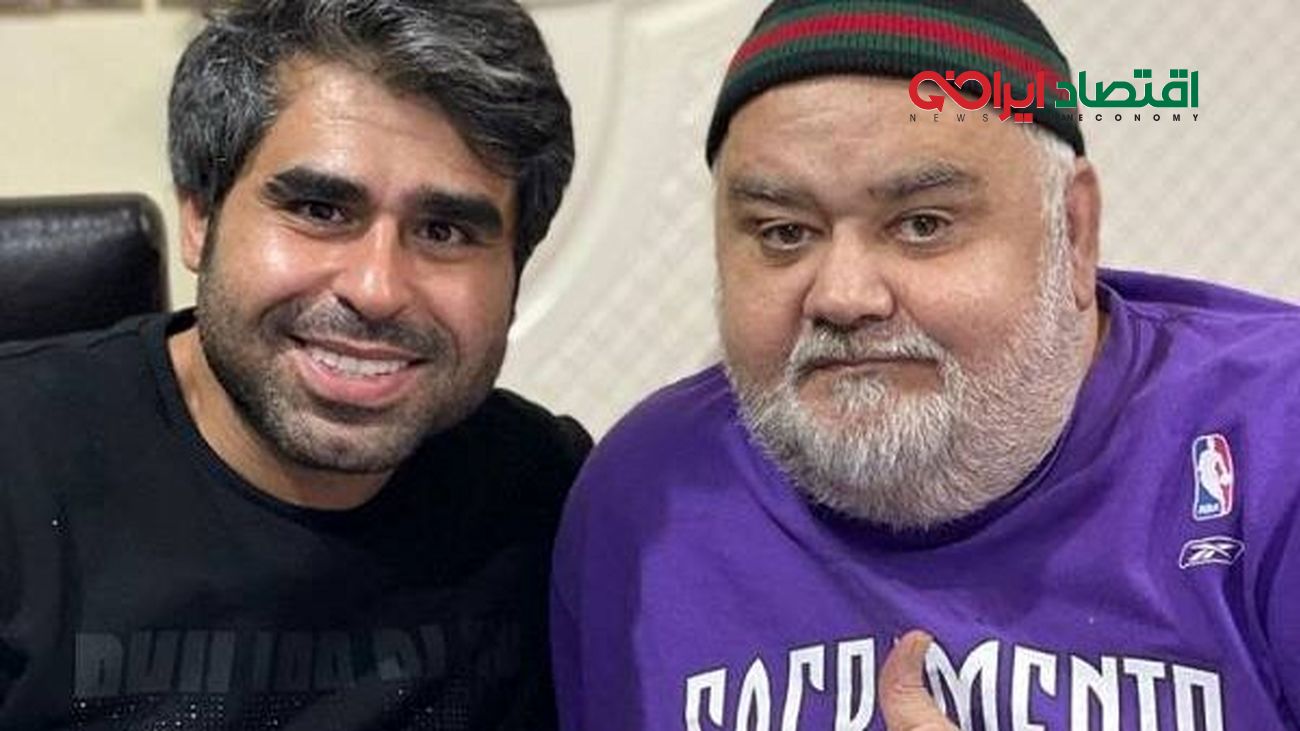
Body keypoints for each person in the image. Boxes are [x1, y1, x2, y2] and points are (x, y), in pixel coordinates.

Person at [550, 0, 1300, 728]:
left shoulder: (1276, 437)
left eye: (922, 224)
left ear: (1072, 232)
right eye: (783, 233)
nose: (843, 296)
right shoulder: (649, 500)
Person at [0, 0, 586, 728]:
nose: (376, 288)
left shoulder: (554, 498)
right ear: (200, 215)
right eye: (319, 209)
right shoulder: (18, 468)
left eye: (444, 230)